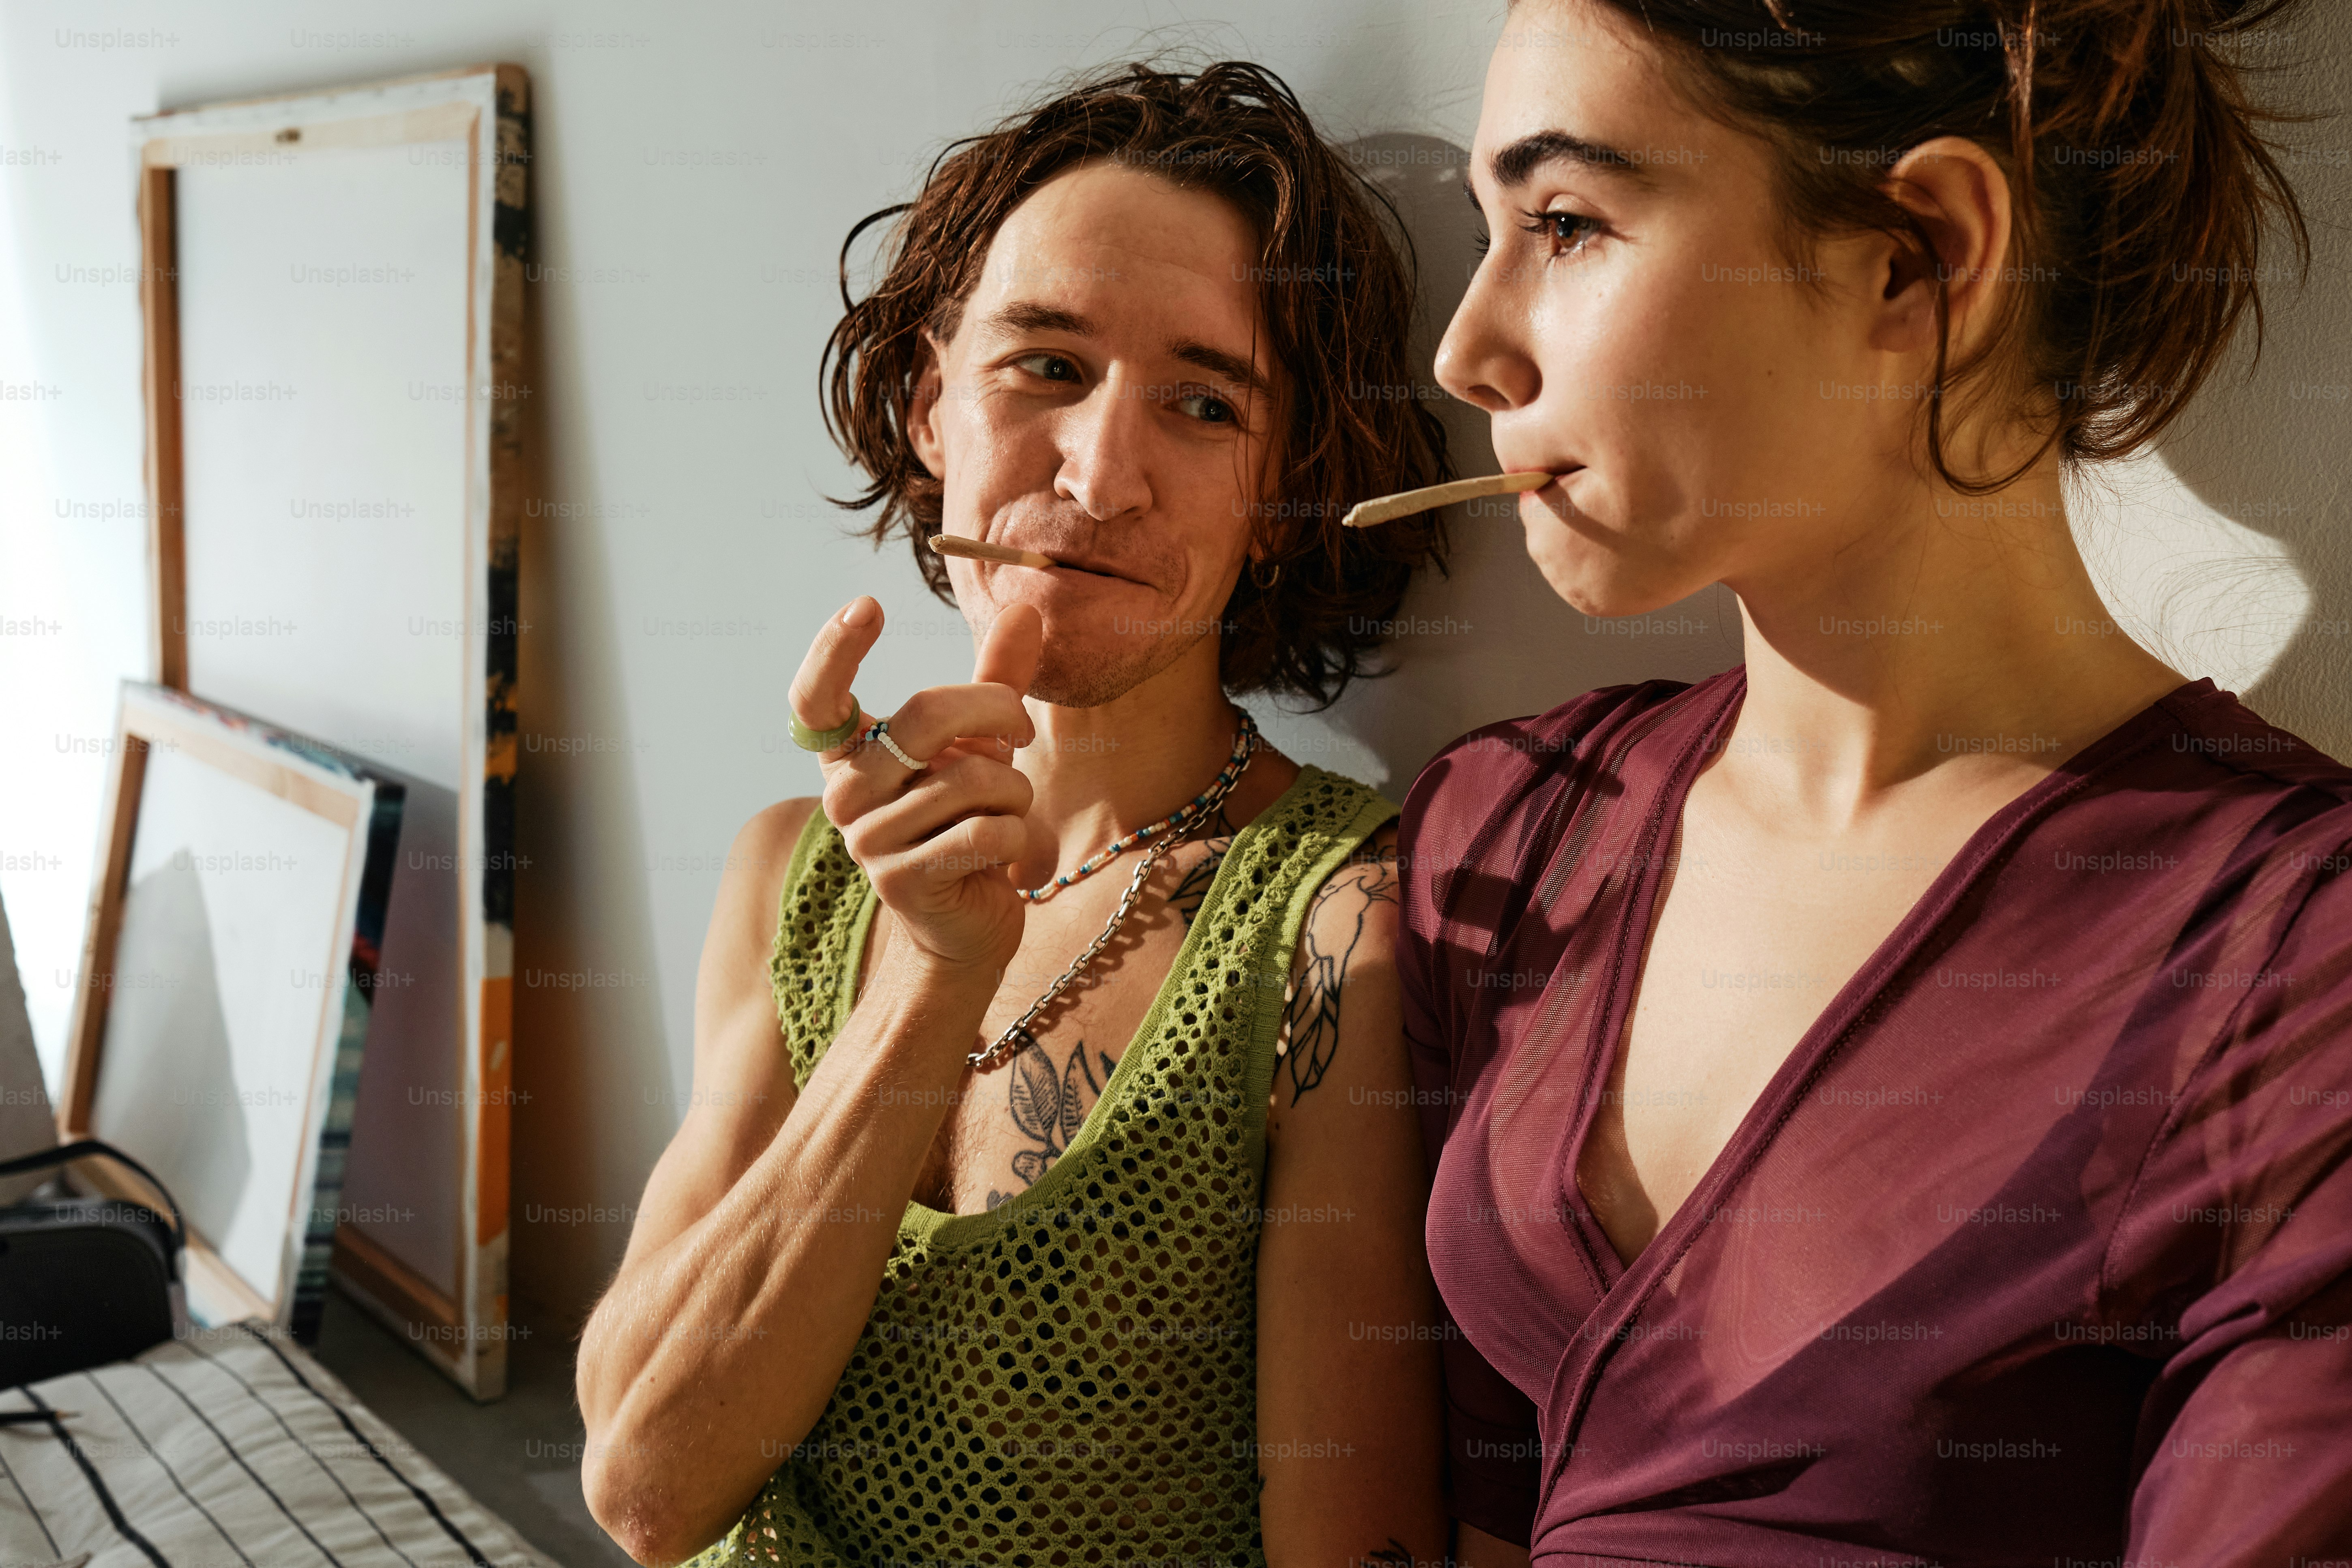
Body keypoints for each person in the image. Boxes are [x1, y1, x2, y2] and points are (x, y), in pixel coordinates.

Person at [1401, 1, 2349, 1563]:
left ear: (1918, 259)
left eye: (1566, 224)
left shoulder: (2295, 954)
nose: (1468, 348)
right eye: (1489, 230)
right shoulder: (1509, 830)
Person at [577, 61, 1456, 1567]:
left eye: (1201, 402)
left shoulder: (1336, 925)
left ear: (1284, 483)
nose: (1102, 471)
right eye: (1046, 367)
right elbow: (644, 1480)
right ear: (930, 406)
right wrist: (928, 973)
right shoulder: (790, 869)